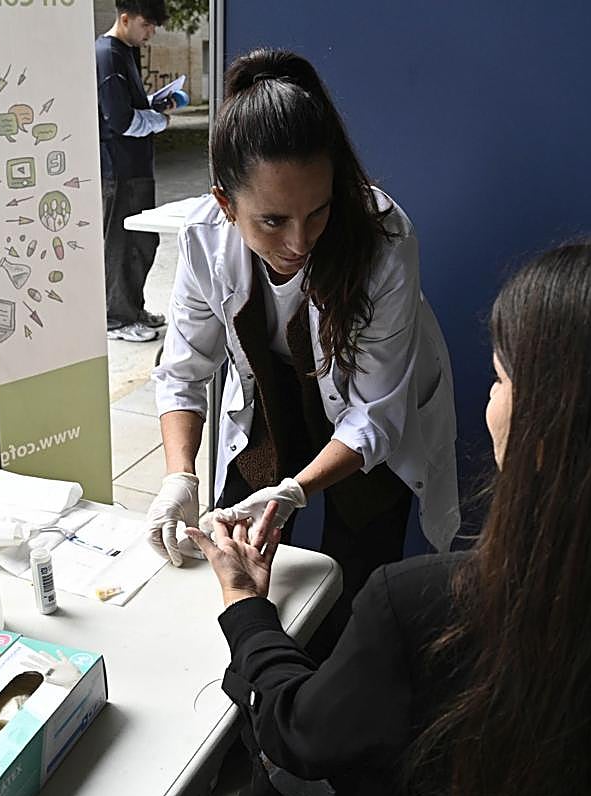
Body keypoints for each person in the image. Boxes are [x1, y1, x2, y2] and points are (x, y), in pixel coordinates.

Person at [189, 236, 591, 796]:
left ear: (552, 432)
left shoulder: (431, 607)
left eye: (498, 379)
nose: (488, 400)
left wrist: (248, 610)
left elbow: (299, 734)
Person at [148, 49, 459, 656]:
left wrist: (295, 490)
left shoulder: (382, 240)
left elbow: (375, 416)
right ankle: (254, 676)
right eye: (272, 220)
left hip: (366, 400)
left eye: (318, 211)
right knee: (237, 547)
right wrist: (179, 474)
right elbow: (184, 372)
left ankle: (335, 701)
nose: (298, 241)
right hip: (273, 392)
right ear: (224, 202)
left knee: (358, 577)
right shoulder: (204, 239)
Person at [96, 0, 174, 343]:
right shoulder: (107, 55)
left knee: (142, 242)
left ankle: (132, 308)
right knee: (122, 244)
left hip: (136, 167)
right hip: (120, 170)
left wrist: (153, 102)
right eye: (147, 25)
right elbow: (121, 120)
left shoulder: (124, 51)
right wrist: (160, 120)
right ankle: (117, 319)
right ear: (125, 18)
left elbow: (128, 106)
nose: (150, 32)